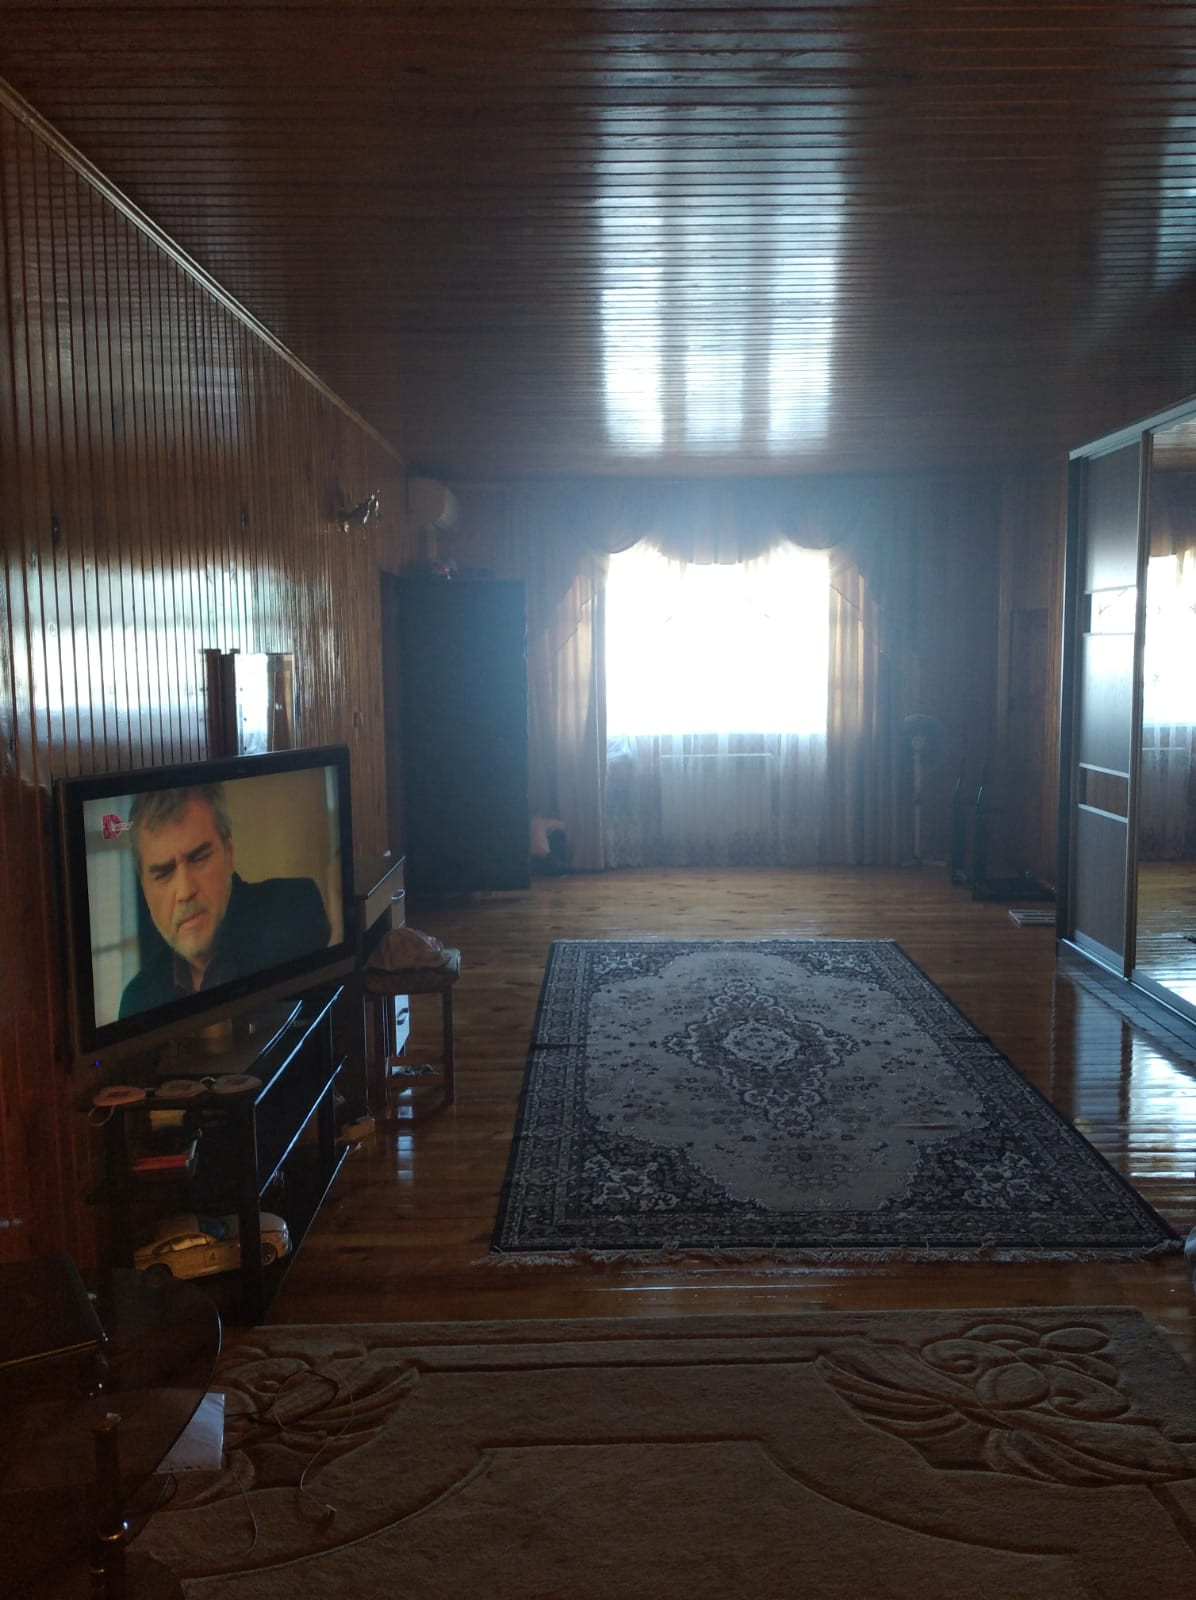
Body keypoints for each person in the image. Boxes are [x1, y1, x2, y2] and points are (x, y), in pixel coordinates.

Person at [118, 783, 331, 1018]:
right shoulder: (136, 1001)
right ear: (144, 890)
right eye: (164, 873)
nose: (185, 891)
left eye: (199, 858)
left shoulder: (295, 910)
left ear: (229, 853)